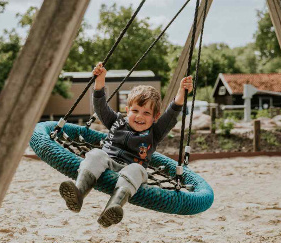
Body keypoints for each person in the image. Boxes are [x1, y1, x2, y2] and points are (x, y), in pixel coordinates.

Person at [59, 62, 193, 227]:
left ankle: (113, 207)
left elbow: (172, 113)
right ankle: (78, 193)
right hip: (107, 162)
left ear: (156, 116)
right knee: (95, 154)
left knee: (137, 170)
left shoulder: (155, 133)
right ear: (127, 109)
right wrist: (100, 81)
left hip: (132, 168)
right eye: (135, 111)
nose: (139, 117)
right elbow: (100, 107)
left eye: (146, 113)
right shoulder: (116, 121)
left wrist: (181, 92)